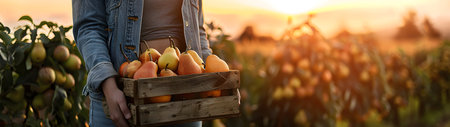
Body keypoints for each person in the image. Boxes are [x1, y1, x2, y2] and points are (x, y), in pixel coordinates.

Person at [72, 0, 211, 126]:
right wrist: (108, 85)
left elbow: (197, 28)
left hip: (185, 94)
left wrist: (210, 73)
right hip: (121, 96)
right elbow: (89, 27)